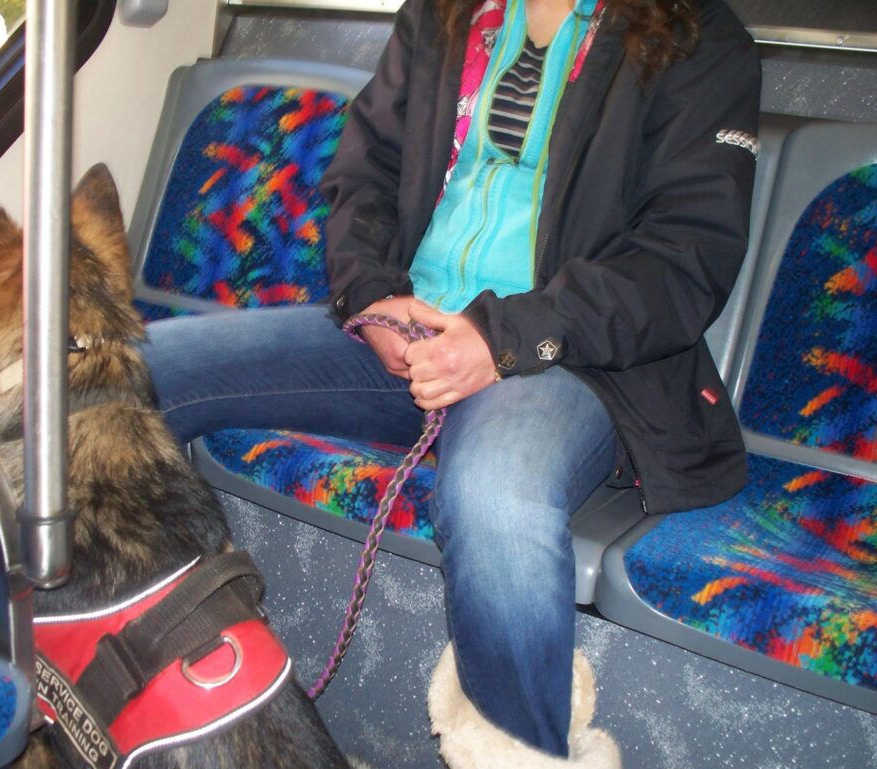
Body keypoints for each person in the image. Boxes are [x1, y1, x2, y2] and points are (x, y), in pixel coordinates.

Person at [142, 0, 760, 763]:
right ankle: (126, 676)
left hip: (567, 355)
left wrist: (499, 338)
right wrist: (368, 298)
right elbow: (363, 174)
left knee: (497, 493)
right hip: (410, 326)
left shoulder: (698, 34)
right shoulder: (443, 16)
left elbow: (682, 261)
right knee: (137, 370)